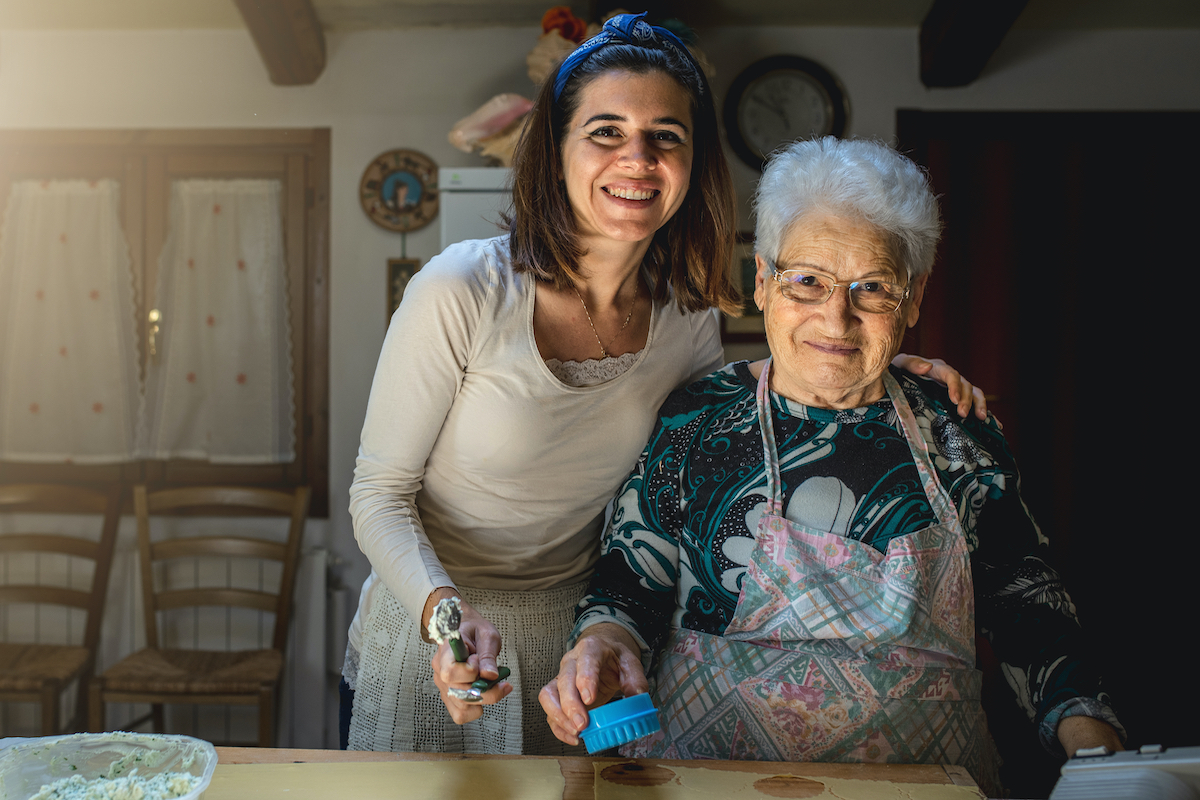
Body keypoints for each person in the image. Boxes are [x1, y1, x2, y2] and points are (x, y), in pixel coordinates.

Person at [344, 16, 985, 756]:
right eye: (606, 131)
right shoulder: (461, 288)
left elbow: (728, 423)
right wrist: (448, 620)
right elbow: (379, 494)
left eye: (666, 136)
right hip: (435, 620)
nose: (638, 158)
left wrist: (873, 355)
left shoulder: (687, 316)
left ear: (692, 162)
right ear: (555, 151)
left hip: (576, 647)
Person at [538, 137, 1124, 793]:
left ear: (915, 297)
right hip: (708, 783)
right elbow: (626, 588)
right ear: (762, 282)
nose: (835, 316)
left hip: (926, 790)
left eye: (872, 288)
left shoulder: (958, 431)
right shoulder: (694, 419)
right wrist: (602, 648)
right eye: (807, 281)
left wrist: (1094, 743)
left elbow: (1027, 606)